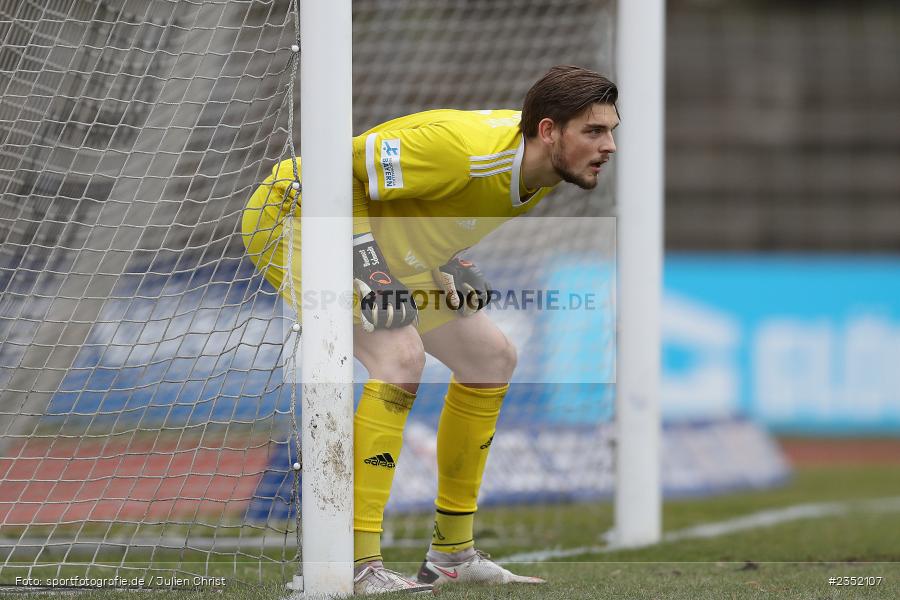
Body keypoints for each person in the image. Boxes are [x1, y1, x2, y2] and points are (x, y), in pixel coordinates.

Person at [241, 65, 618, 595]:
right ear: (550, 130)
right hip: (299, 216)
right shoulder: (464, 150)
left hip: (378, 240)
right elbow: (337, 173)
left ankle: (452, 555)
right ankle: (356, 562)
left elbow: (429, 210)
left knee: (491, 357)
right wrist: (371, 269)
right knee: (400, 357)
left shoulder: (544, 171)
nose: (610, 146)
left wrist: (450, 262)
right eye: (595, 132)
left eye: (611, 131)